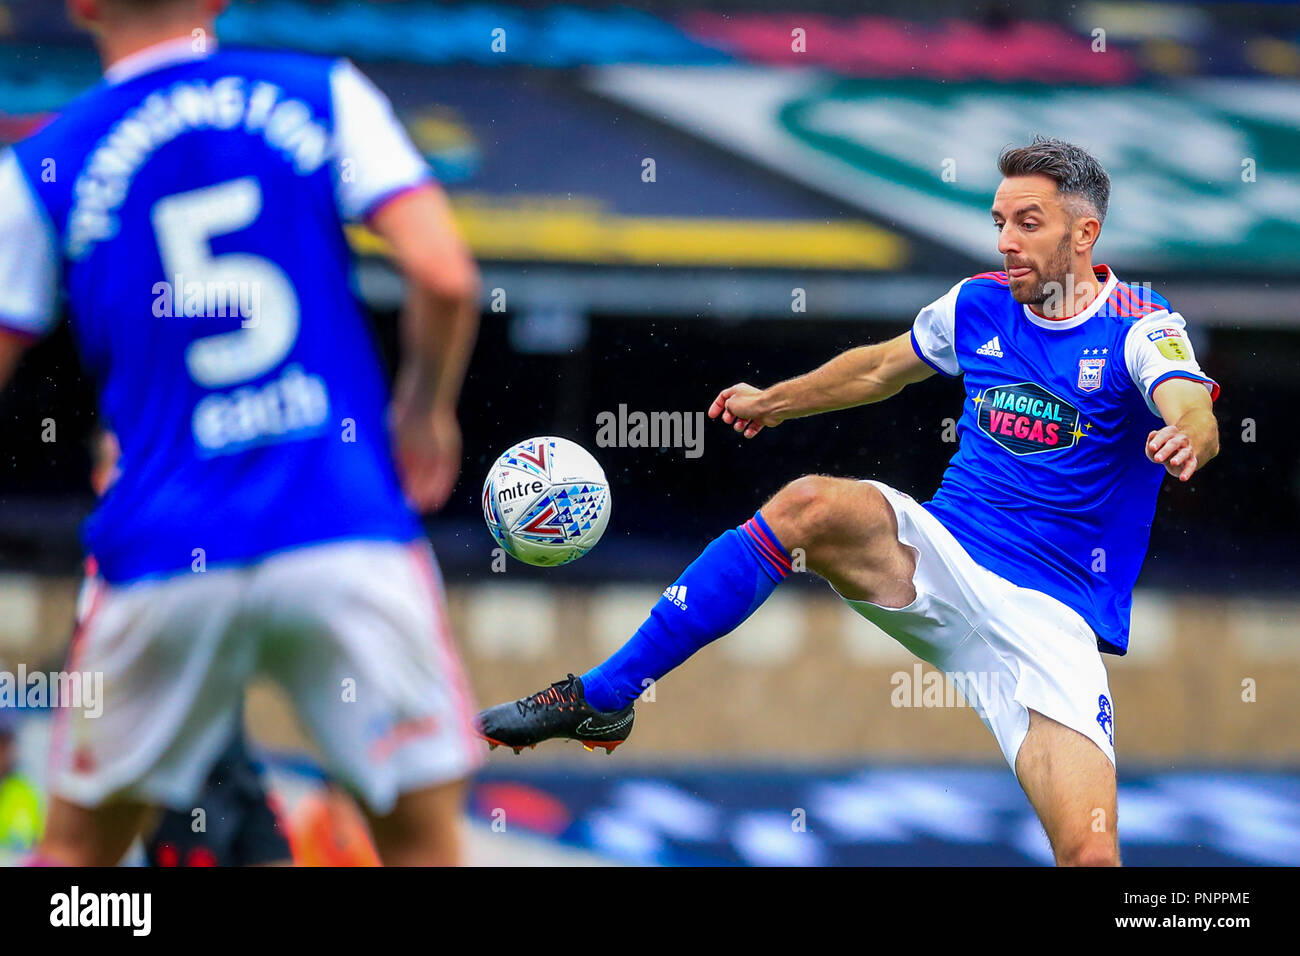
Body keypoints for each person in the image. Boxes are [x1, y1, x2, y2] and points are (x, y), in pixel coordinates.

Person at [479, 137, 1221, 867]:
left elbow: (1190, 406)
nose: (1006, 242)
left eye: (1028, 223)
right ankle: (605, 693)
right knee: (810, 506)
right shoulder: (977, 305)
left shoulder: (1141, 325)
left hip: (1053, 620)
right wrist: (777, 402)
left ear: (1085, 233)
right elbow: (877, 370)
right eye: (999, 223)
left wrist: (1188, 433)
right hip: (941, 557)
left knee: (1090, 853)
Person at [0, 0, 483, 865]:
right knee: (419, 847)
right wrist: (422, 411)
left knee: (76, 857)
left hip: (160, 548)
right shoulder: (321, 91)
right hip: (340, 528)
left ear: (81, 6)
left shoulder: (40, 164)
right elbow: (444, 275)